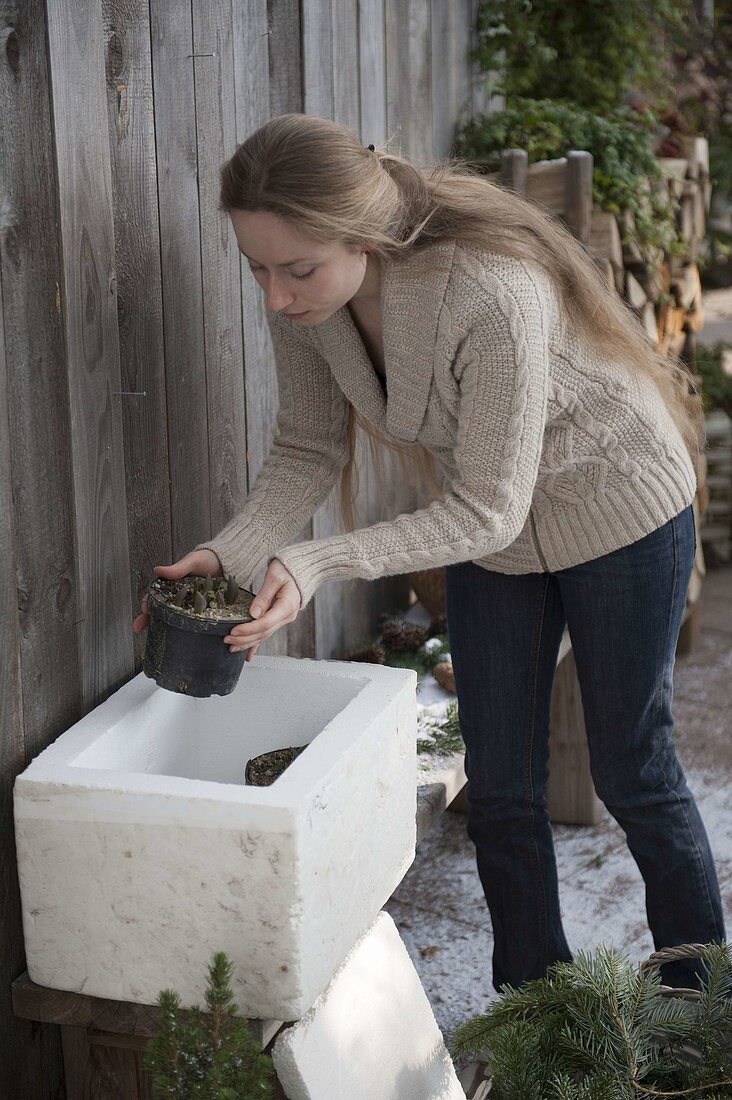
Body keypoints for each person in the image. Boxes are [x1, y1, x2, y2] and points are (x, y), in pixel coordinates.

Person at [132, 112, 725, 994]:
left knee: (632, 769)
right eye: (257, 266)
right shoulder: (311, 302)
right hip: (502, 531)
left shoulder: (490, 291)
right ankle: (536, 1006)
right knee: (500, 781)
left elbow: (485, 507)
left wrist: (319, 562)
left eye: (295, 268)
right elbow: (307, 448)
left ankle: (701, 997)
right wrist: (232, 556)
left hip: (618, 511)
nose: (274, 296)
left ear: (364, 237)